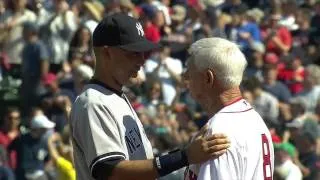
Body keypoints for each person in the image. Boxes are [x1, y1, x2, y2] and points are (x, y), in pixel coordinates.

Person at [69, 13, 231, 180]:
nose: (141, 60)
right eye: (133, 53)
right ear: (107, 53)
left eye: (142, 53)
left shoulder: (116, 97)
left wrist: (187, 151)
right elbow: (110, 171)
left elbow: (142, 164)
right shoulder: (93, 103)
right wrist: (184, 156)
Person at [183, 38, 274, 179]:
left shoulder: (218, 133)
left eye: (190, 72)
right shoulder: (255, 120)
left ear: (208, 78)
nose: (185, 77)